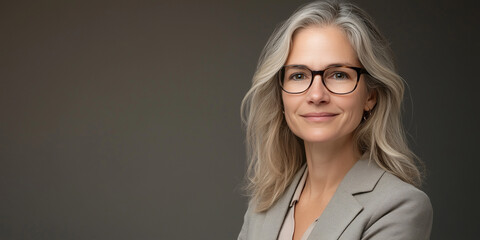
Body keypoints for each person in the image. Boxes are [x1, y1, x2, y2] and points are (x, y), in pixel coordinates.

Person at [237, 1, 433, 239]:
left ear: (370, 96)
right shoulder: (264, 203)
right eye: (298, 75)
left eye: (338, 75)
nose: (317, 95)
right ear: (281, 95)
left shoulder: (399, 206)